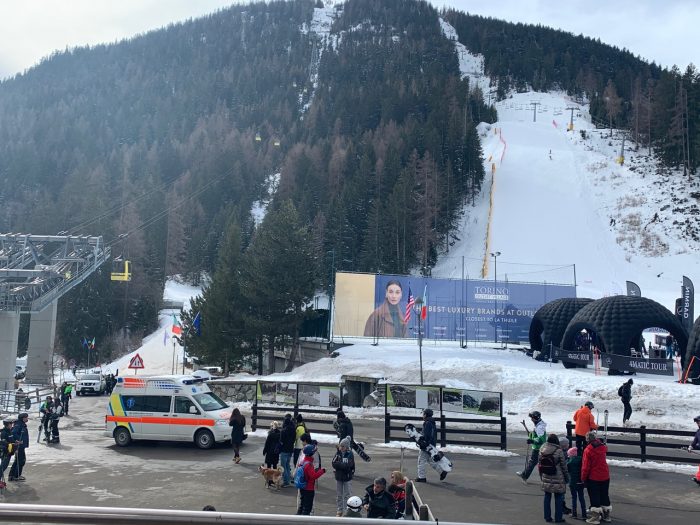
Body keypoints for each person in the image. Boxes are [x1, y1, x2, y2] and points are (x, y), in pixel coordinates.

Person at [581, 431, 611, 524]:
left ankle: (595, 517)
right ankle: (606, 515)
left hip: (594, 477)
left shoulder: (588, 450)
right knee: (604, 495)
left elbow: (586, 467)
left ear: (587, 440)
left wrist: (583, 478)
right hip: (605, 475)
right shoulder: (603, 447)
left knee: (594, 497)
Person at [539, 433, 569, 523]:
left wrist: (541, 476)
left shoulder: (542, 448)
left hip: (546, 475)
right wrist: (566, 478)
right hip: (557, 476)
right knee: (558, 497)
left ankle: (547, 517)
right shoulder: (558, 450)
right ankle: (558, 518)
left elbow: (539, 464)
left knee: (547, 497)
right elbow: (564, 466)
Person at [415, 408, 445, 482]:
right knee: (430, 460)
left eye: (423, 414)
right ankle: (442, 472)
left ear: (426, 415)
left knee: (421, 460)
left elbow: (427, 435)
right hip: (431, 444)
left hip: (426, 445)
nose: (423, 415)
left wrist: (424, 443)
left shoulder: (427, 423)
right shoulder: (431, 422)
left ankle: (422, 477)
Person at [517, 410, 547, 482]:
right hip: (539, 448)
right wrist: (525, 427)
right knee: (536, 463)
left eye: (532, 418)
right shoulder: (539, 425)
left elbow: (541, 440)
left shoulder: (539, 427)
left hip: (538, 448)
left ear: (535, 418)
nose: (531, 419)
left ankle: (525, 475)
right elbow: (533, 435)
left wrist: (532, 441)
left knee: (533, 462)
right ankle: (525, 475)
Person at [296, 444, 326, 515]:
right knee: (307, 508)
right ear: (311, 453)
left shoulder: (303, 461)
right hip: (308, 488)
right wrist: (322, 471)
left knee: (302, 505)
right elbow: (313, 476)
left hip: (303, 487)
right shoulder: (309, 464)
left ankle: (297, 519)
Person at [332, 437, 355, 516]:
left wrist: (339, 465)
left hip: (347, 477)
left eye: (343, 446)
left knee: (347, 494)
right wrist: (341, 465)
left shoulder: (350, 454)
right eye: (340, 446)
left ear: (347, 447)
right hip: (339, 477)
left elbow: (348, 465)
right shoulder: (338, 453)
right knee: (339, 494)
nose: (341, 448)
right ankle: (339, 509)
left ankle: (346, 510)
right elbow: (334, 463)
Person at [566, 447, 587, 520]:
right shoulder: (582, 460)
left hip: (572, 482)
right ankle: (584, 514)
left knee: (574, 498)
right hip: (580, 482)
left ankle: (574, 513)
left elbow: (567, 471)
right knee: (581, 498)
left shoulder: (569, 462)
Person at [9, 412, 29, 482]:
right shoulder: (18, 425)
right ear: (23, 418)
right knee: (21, 460)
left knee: (17, 460)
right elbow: (14, 433)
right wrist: (20, 440)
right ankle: (16, 475)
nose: (27, 418)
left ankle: (12, 475)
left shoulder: (21, 424)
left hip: (21, 446)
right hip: (19, 446)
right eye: (26, 417)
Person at [279, 414, 296, 487]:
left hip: (284, 450)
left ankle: (286, 482)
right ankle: (288, 479)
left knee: (284, 466)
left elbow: (281, 441)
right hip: (290, 449)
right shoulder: (293, 430)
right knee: (287, 465)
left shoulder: (283, 431)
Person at [688, 415, 700, 486]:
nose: (698, 424)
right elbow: (695, 441)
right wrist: (691, 446)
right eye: (697, 423)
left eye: (699, 422)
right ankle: (699, 479)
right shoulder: (698, 432)